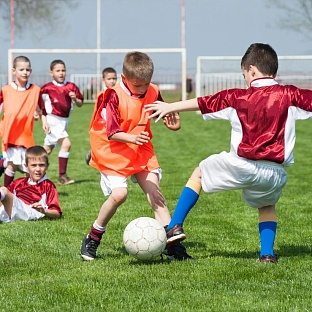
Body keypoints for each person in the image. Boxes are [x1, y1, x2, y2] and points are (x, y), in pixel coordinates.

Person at [145, 42, 312, 264]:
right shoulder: (290, 94)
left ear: (251, 70)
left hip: (243, 165)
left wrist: (170, 107)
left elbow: (205, 103)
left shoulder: (237, 97)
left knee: (199, 173)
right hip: (275, 173)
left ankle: (174, 226)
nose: (245, 79)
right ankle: (267, 254)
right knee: (267, 206)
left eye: (244, 74)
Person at [80, 51, 193, 261]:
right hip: (112, 150)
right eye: (137, 85)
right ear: (124, 79)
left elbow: (163, 113)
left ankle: (173, 249)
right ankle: (93, 237)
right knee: (119, 195)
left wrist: (173, 124)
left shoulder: (153, 91)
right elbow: (112, 131)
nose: (142, 89)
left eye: (145, 84)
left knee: (155, 194)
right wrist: (132, 139)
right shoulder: (112, 95)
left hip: (140, 147)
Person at [0, 55, 42, 187]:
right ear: (14, 71)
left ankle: (27, 194)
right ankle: (6, 192)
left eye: (28, 70)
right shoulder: (6, 90)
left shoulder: (35, 90)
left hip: (26, 135)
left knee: (28, 167)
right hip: (10, 134)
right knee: (13, 165)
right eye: (22, 69)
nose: (25, 72)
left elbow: (40, 109)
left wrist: (42, 119)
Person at [40, 59, 84, 185]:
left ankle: (29, 167)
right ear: (51, 73)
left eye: (63, 70)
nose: (61, 73)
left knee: (47, 150)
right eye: (57, 71)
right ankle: (62, 176)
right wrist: (44, 121)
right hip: (53, 120)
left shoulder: (71, 86)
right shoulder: (47, 88)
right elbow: (40, 106)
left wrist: (75, 99)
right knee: (66, 144)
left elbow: (81, 104)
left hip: (64, 121)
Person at [0, 145, 62, 222]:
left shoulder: (48, 185)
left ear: (47, 166)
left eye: (41, 165)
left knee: (4, 191)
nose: (38, 169)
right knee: (3, 190)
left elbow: (57, 213)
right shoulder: (18, 182)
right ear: (26, 166)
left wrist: (44, 211)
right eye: (33, 165)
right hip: (13, 210)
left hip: (30, 212)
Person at [85, 67, 117, 165]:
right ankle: (93, 152)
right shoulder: (101, 95)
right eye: (109, 79)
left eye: (114, 78)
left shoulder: (119, 93)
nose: (112, 81)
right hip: (104, 127)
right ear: (103, 80)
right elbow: (97, 113)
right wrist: (92, 127)